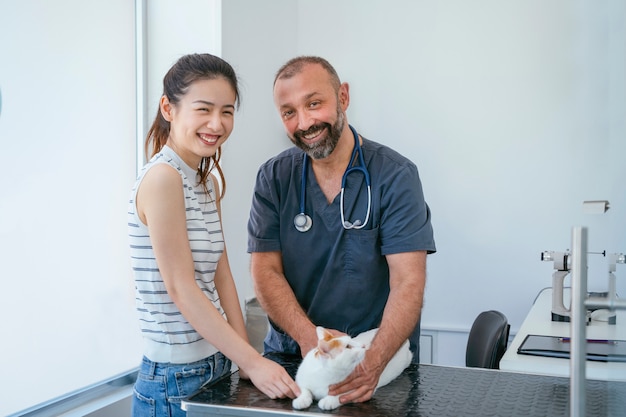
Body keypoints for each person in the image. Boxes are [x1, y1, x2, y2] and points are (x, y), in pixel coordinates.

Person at [247, 56, 436, 406]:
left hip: (375, 362)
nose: (304, 122)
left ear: (343, 97)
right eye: (289, 112)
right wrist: (309, 338)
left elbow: (408, 281)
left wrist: (373, 363)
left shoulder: (395, 177)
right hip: (293, 359)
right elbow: (265, 270)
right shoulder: (274, 178)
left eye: (314, 103)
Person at [128, 53, 300, 417]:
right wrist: (252, 362)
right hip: (173, 379)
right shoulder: (163, 179)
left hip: (217, 361)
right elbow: (182, 288)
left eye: (227, 111)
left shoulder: (206, 179)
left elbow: (221, 272)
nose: (217, 123)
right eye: (203, 109)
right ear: (168, 108)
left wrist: (245, 358)